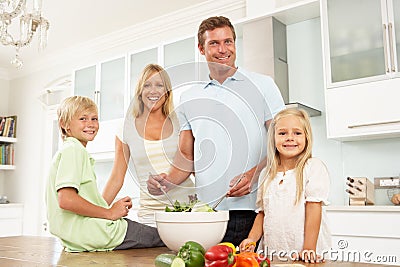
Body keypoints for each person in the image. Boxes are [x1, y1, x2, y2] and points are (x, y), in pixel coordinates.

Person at [147, 16, 285, 245]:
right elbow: (186, 156)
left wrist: (255, 174)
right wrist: (167, 181)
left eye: (228, 42)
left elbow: (281, 144)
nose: (223, 50)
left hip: (256, 208)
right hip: (207, 213)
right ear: (201, 48)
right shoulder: (189, 96)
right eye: (214, 43)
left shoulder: (263, 85)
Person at [45, 96, 164, 252]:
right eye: (83, 118)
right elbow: (66, 200)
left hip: (77, 238)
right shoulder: (73, 150)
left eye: (94, 118)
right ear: (64, 124)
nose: (91, 124)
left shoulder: (71, 151)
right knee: (165, 238)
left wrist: (113, 207)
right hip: (99, 233)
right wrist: (109, 212)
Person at [102, 64, 195, 227]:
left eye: (160, 85)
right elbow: (116, 178)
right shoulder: (125, 128)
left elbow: (192, 165)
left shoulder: (181, 121)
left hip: (189, 211)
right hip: (151, 216)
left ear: (167, 92)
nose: (153, 91)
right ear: (140, 91)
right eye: (147, 85)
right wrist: (98, 213)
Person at [239, 108, 331, 263]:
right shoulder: (266, 175)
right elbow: (262, 213)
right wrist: (251, 239)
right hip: (272, 253)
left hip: (305, 253)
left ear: (307, 137)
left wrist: (309, 248)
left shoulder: (313, 167)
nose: (290, 138)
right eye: (282, 133)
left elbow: (314, 208)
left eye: (297, 133)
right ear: (273, 138)